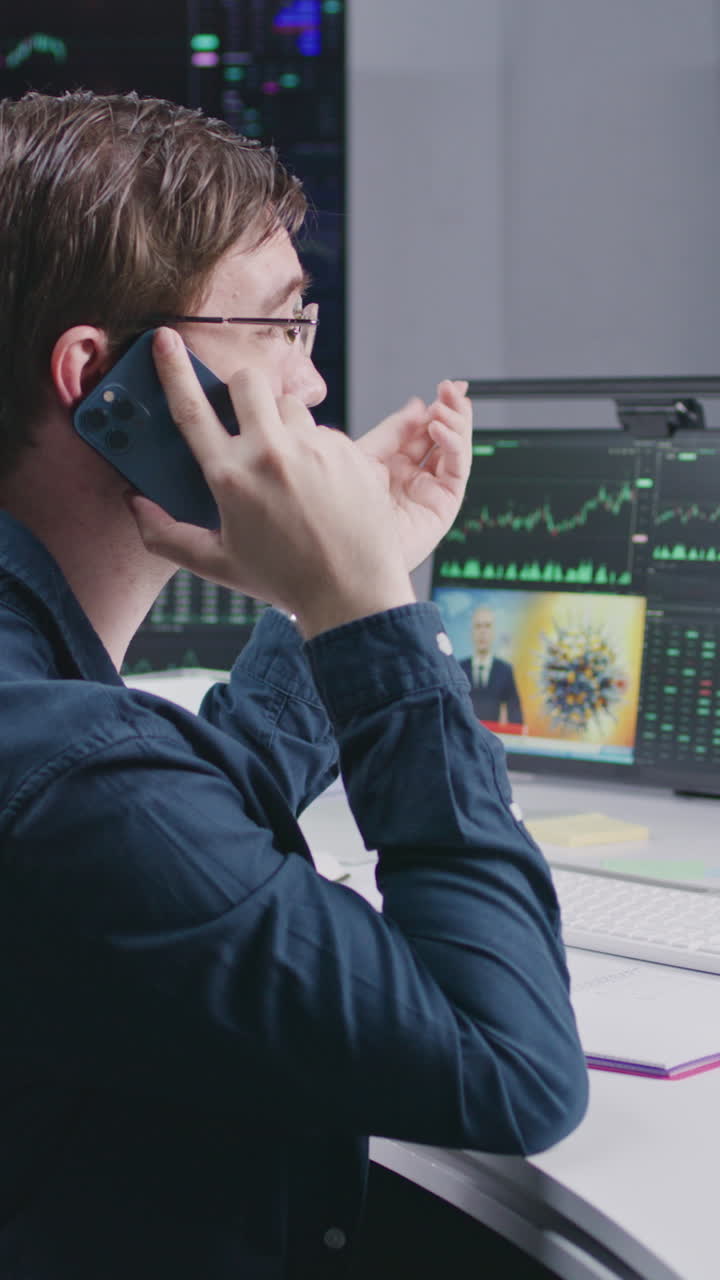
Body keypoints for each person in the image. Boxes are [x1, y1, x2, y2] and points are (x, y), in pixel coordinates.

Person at [0, 90, 587, 1279]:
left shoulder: (47, 723)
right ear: (100, 379)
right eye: (279, 329)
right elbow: (510, 1063)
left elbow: (168, 863)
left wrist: (352, 580)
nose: (314, 388)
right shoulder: (62, 773)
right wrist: (364, 609)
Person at [460, 604, 524, 724]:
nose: (482, 632)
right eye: (478, 626)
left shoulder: (505, 671)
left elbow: (516, 717)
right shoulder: (458, 669)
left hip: (493, 738)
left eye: (487, 626)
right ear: (471, 632)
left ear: (494, 632)